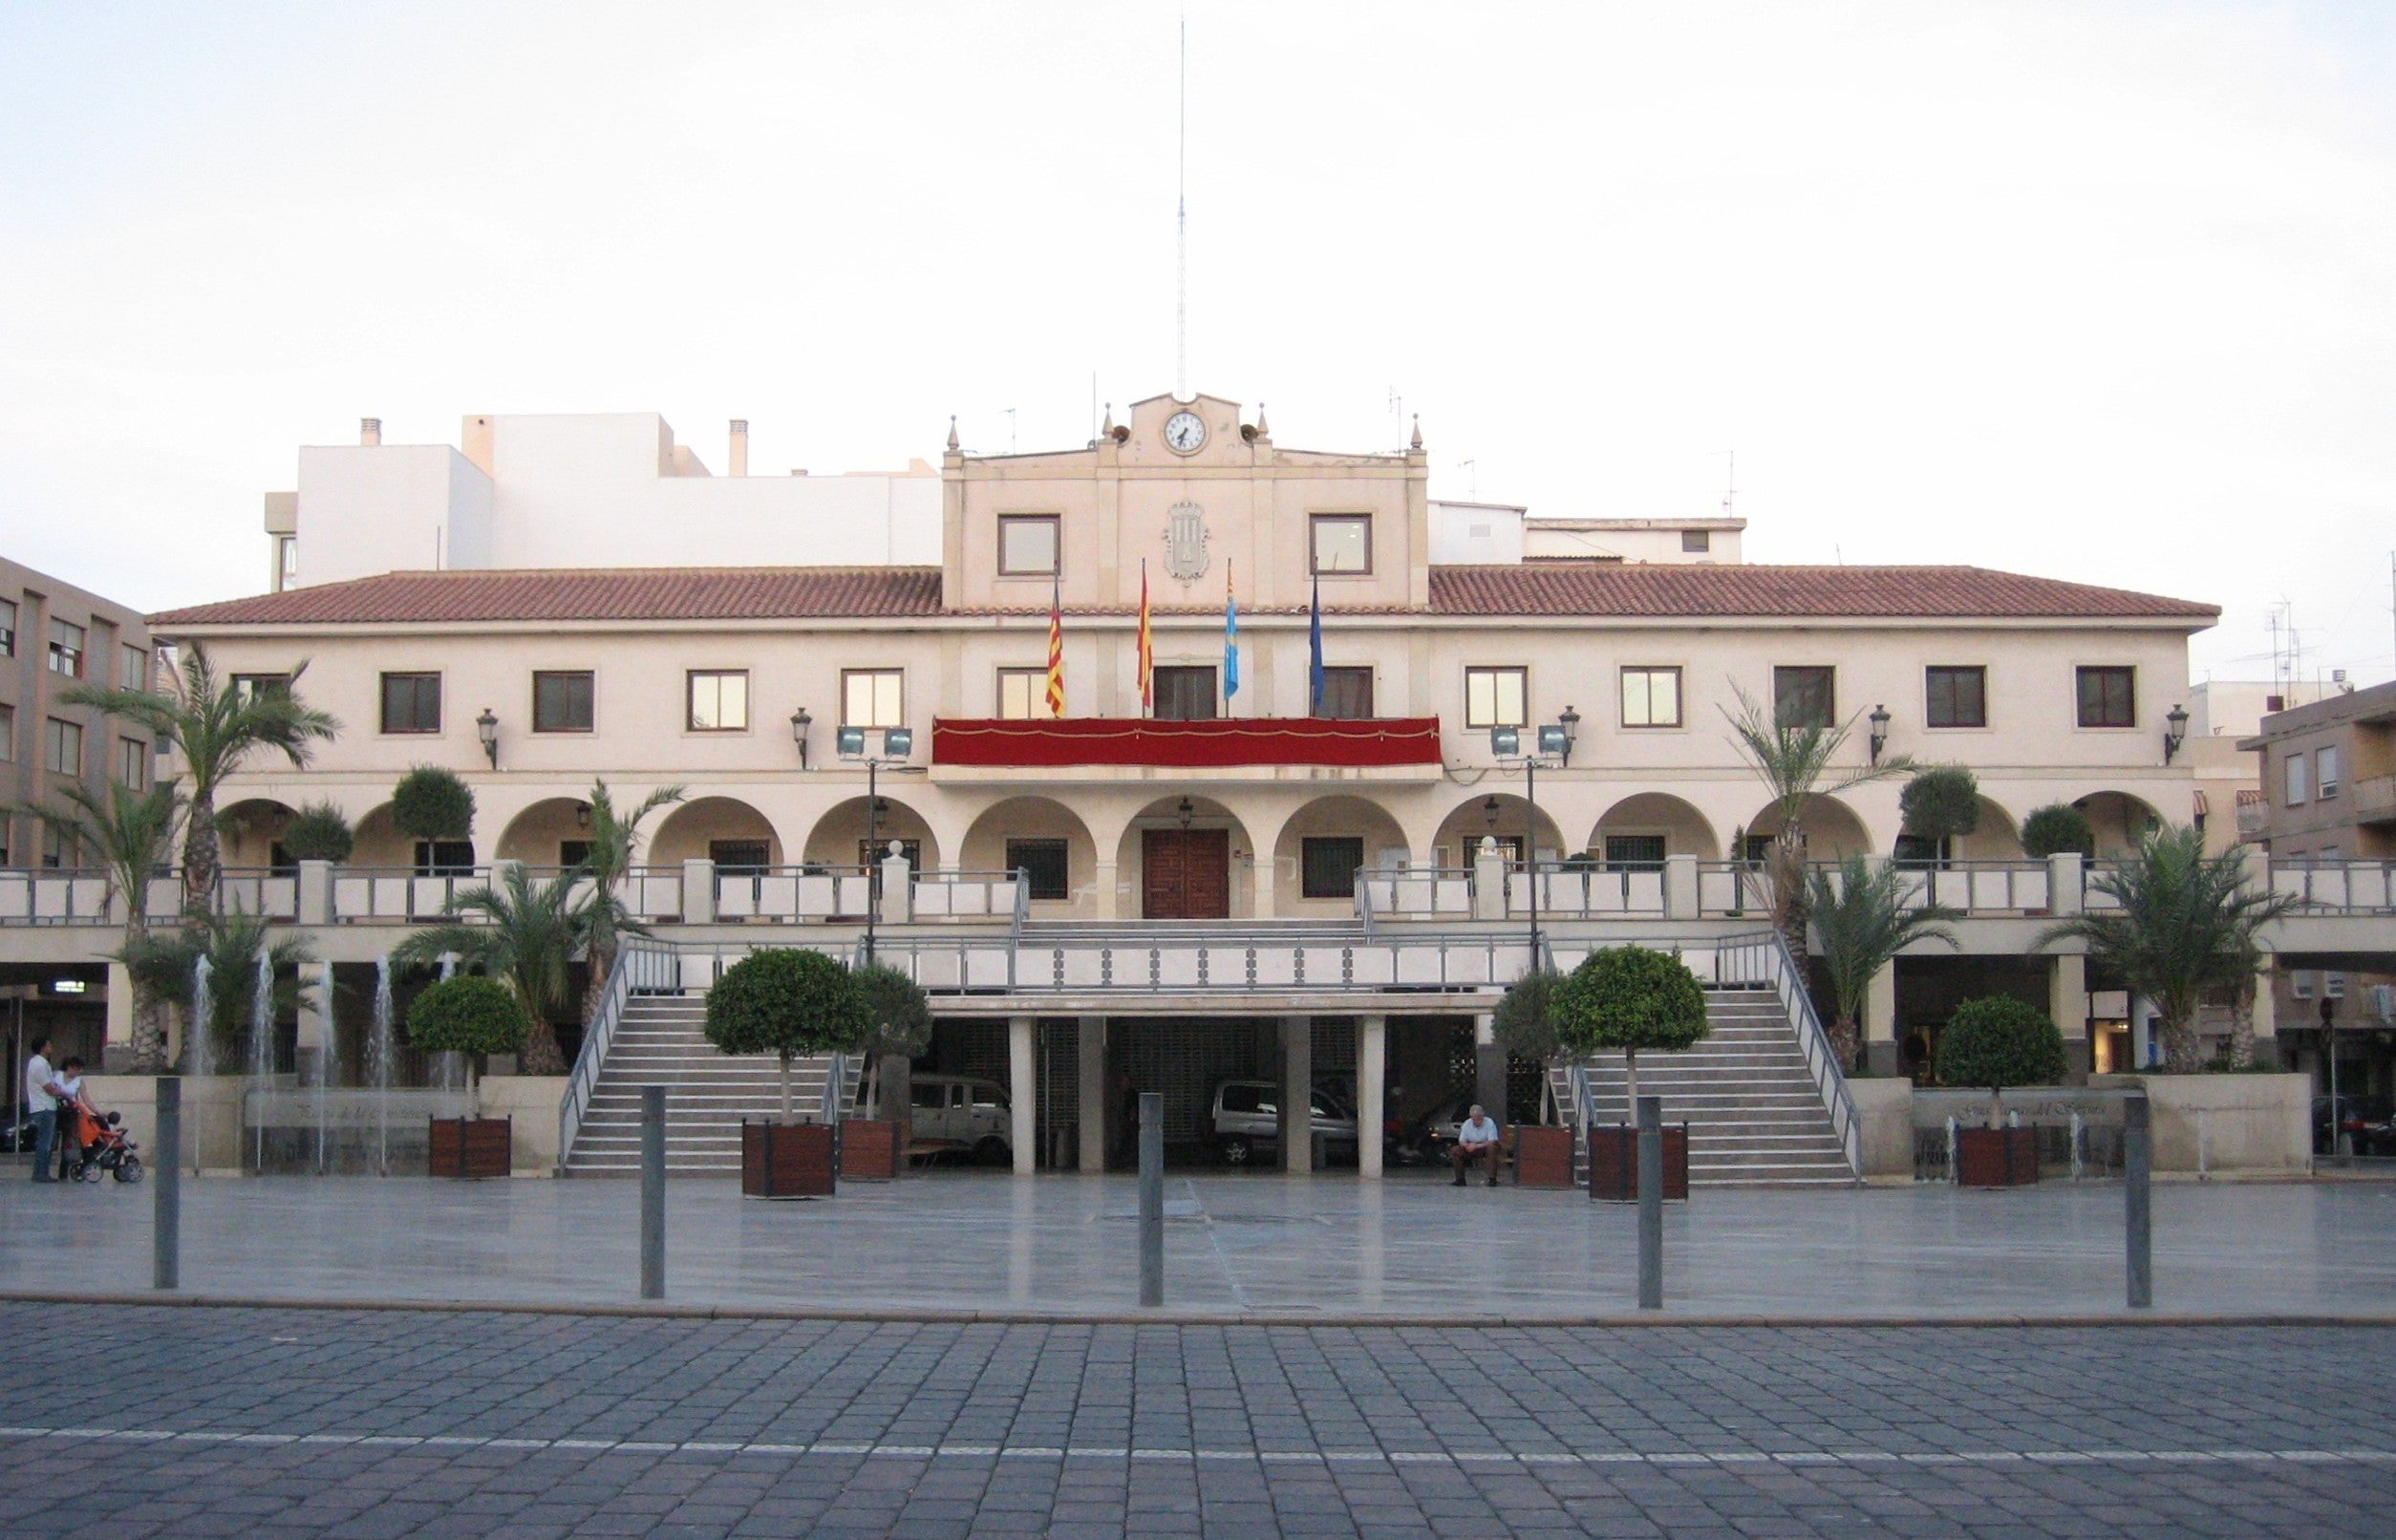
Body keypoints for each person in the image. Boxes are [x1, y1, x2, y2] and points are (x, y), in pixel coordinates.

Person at [22, 1036, 66, 1185]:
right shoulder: (40, 1065)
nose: (51, 1047)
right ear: (42, 1047)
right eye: (49, 1045)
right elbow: (48, 1088)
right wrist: (62, 1092)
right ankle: (41, 1173)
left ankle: (41, 1172)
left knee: (44, 1141)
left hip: (41, 1106)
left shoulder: (36, 1063)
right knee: (45, 1142)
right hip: (44, 1107)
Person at [53, 1057, 98, 1181]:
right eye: (76, 1069)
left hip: (71, 1113)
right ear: (69, 1066)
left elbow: (86, 1099)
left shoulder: (79, 1081)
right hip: (56, 1110)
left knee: (68, 1141)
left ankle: (64, 1171)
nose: (78, 1072)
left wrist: (97, 1112)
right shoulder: (56, 1075)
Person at [1450, 1103, 1502, 1187]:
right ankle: (1460, 1179)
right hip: (1470, 1147)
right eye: (1475, 1118)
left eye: (1479, 1117)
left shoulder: (1489, 1122)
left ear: (1483, 1115)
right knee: (1455, 1150)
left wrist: (1477, 1146)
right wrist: (1467, 1146)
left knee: (1492, 1148)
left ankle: (1492, 1179)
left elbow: (1492, 1140)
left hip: (1485, 1147)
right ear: (1471, 1117)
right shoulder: (1467, 1123)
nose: (1477, 1120)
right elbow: (1461, 1141)